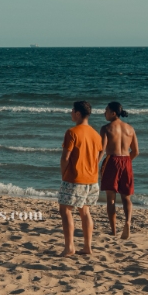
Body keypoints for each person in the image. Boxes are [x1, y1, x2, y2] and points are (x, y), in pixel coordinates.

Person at [57, 100, 103, 257]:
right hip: (92, 179)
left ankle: (69, 246)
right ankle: (87, 246)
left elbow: (65, 158)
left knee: (65, 210)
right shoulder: (96, 135)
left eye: (72, 110)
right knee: (85, 211)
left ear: (78, 113)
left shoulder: (72, 132)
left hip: (75, 178)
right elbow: (97, 157)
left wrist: (64, 174)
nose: (70, 113)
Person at [98, 101, 138, 238]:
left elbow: (102, 150)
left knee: (111, 199)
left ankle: (114, 230)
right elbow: (136, 151)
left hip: (112, 161)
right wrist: (126, 162)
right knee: (126, 197)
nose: (104, 113)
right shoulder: (130, 128)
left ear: (113, 113)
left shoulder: (106, 128)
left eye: (106, 110)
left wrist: (96, 164)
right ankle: (127, 222)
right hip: (126, 160)